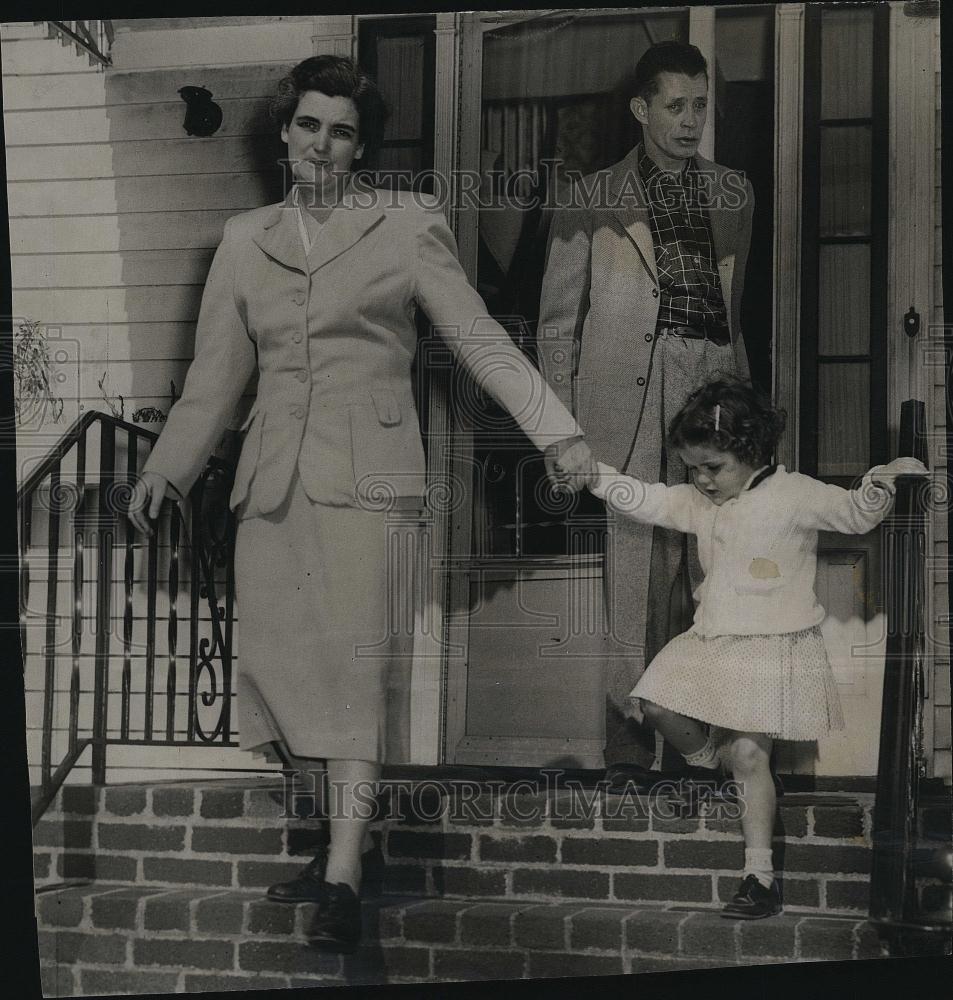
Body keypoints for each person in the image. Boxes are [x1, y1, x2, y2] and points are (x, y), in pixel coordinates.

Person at [127, 54, 596, 951]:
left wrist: (556, 431)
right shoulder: (242, 239)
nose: (321, 144)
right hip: (272, 477)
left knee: (347, 672)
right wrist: (171, 470)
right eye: (309, 124)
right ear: (284, 132)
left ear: (360, 146)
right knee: (272, 664)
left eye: (341, 131)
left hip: (369, 474)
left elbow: (477, 337)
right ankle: (336, 837)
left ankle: (343, 870)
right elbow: (215, 379)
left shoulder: (404, 223)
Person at [588, 379, 928, 918]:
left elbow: (856, 515)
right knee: (654, 703)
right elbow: (646, 499)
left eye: (713, 468)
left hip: (773, 647)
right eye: (692, 469)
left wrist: (885, 479)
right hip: (712, 637)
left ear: (750, 451)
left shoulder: (795, 494)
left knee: (750, 755)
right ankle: (708, 764)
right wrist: (593, 474)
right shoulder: (697, 502)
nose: (701, 480)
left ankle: (759, 878)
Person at [537, 41, 755, 791]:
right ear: (641, 109)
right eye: (675, 105)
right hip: (623, 403)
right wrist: (559, 431)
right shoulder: (590, 194)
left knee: (706, 579)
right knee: (632, 584)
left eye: (700, 105)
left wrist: (742, 419)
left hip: (709, 399)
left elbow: (732, 313)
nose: (691, 120)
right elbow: (556, 323)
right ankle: (629, 756)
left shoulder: (734, 193)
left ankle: (701, 750)